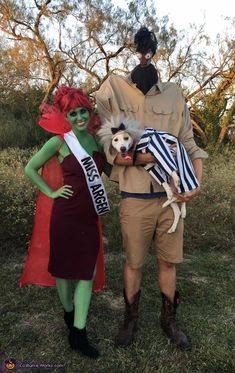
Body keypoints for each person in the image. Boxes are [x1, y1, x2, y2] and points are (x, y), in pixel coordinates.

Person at [96, 27, 208, 350]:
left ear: (156, 52)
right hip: (134, 199)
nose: (145, 55)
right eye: (140, 50)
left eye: (150, 50)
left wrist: (195, 183)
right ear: (135, 51)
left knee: (167, 263)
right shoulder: (114, 91)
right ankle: (130, 318)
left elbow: (189, 143)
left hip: (169, 198)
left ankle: (168, 319)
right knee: (133, 263)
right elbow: (109, 147)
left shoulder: (174, 94)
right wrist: (142, 157)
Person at [24, 85, 110, 359]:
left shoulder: (97, 141)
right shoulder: (60, 142)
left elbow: (114, 168)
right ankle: (69, 316)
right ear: (66, 116)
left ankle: (80, 333)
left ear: (89, 111)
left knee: (87, 273)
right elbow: (30, 168)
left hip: (88, 217)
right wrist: (50, 192)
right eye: (73, 113)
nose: (79, 117)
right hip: (65, 217)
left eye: (83, 111)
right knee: (63, 273)